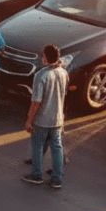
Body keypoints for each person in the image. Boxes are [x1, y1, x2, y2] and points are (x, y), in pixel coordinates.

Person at [22, 44, 68, 189]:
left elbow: (36, 101)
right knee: (57, 148)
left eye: (43, 55)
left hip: (42, 119)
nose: (42, 58)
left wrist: (29, 120)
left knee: (37, 147)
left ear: (46, 58)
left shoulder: (41, 75)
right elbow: (63, 95)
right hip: (57, 119)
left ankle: (36, 175)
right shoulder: (63, 73)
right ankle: (57, 178)